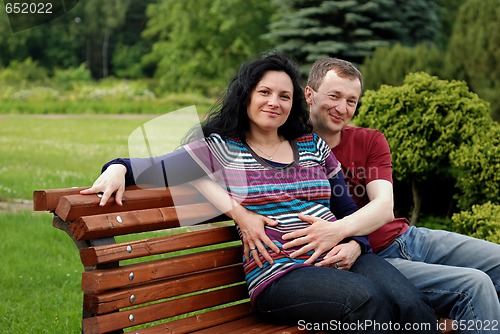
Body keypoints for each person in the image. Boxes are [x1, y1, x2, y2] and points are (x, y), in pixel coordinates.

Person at [82, 53, 440, 333]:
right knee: (367, 301)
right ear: (247, 95)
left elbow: (347, 209)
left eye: (284, 96)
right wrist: (117, 167)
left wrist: (355, 245)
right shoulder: (221, 149)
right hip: (280, 274)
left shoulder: (312, 145)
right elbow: (152, 165)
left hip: (342, 256)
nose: (274, 102)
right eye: (264, 92)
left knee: (411, 303)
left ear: (294, 103)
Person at [281, 57, 500, 332]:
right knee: (474, 286)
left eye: (351, 100)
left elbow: (384, 207)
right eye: (334, 96)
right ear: (309, 94)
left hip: (407, 238)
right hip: (373, 261)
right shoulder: (289, 152)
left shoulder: (369, 140)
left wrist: (339, 232)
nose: (342, 108)